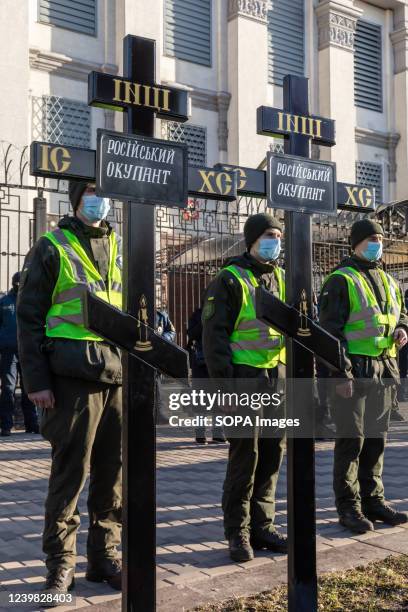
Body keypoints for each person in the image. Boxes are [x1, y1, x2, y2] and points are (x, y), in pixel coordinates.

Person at [17, 181, 123, 599]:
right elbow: (29, 317)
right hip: (70, 378)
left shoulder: (119, 244)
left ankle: (104, 558)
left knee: (112, 477)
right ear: (77, 201)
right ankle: (60, 567)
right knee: (69, 476)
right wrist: (37, 382)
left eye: (104, 194)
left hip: (115, 375)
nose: (99, 201)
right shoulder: (52, 245)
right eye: (91, 194)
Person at [202, 213, 287, 562]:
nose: (276, 241)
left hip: (276, 379)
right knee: (245, 458)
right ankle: (237, 532)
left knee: (271, 456)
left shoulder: (282, 277)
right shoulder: (230, 278)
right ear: (252, 240)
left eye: (280, 235)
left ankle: (262, 526)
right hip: (243, 379)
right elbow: (214, 338)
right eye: (270, 235)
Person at [319, 219, 408, 534]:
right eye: (371, 239)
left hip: (384, 371)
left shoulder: (388, 279)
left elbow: (401, 314)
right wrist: (340, 375)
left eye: (380, 239)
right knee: (351, 443)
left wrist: (402, 329)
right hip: (354, 373)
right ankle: (349, 507)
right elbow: (329, 333)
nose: (377, 244)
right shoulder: (340, 280)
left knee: (376, 441)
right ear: (355, 243)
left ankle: (374, 501)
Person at [0, 272, 39, 436]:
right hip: (9, 352)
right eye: (17, 283)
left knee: (29, 389)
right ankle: (6, 426)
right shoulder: (3, 302)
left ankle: (32, 424)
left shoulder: (31, 301)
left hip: (28, 351)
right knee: (8, 389)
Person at [187, 305, 225, 444]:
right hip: (200, 361)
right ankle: (200, 432)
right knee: (200, 400)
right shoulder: (197, 315)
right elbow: (191, 333)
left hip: (218, 360)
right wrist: (205, 321)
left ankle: (218, 432)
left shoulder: (223, 312)